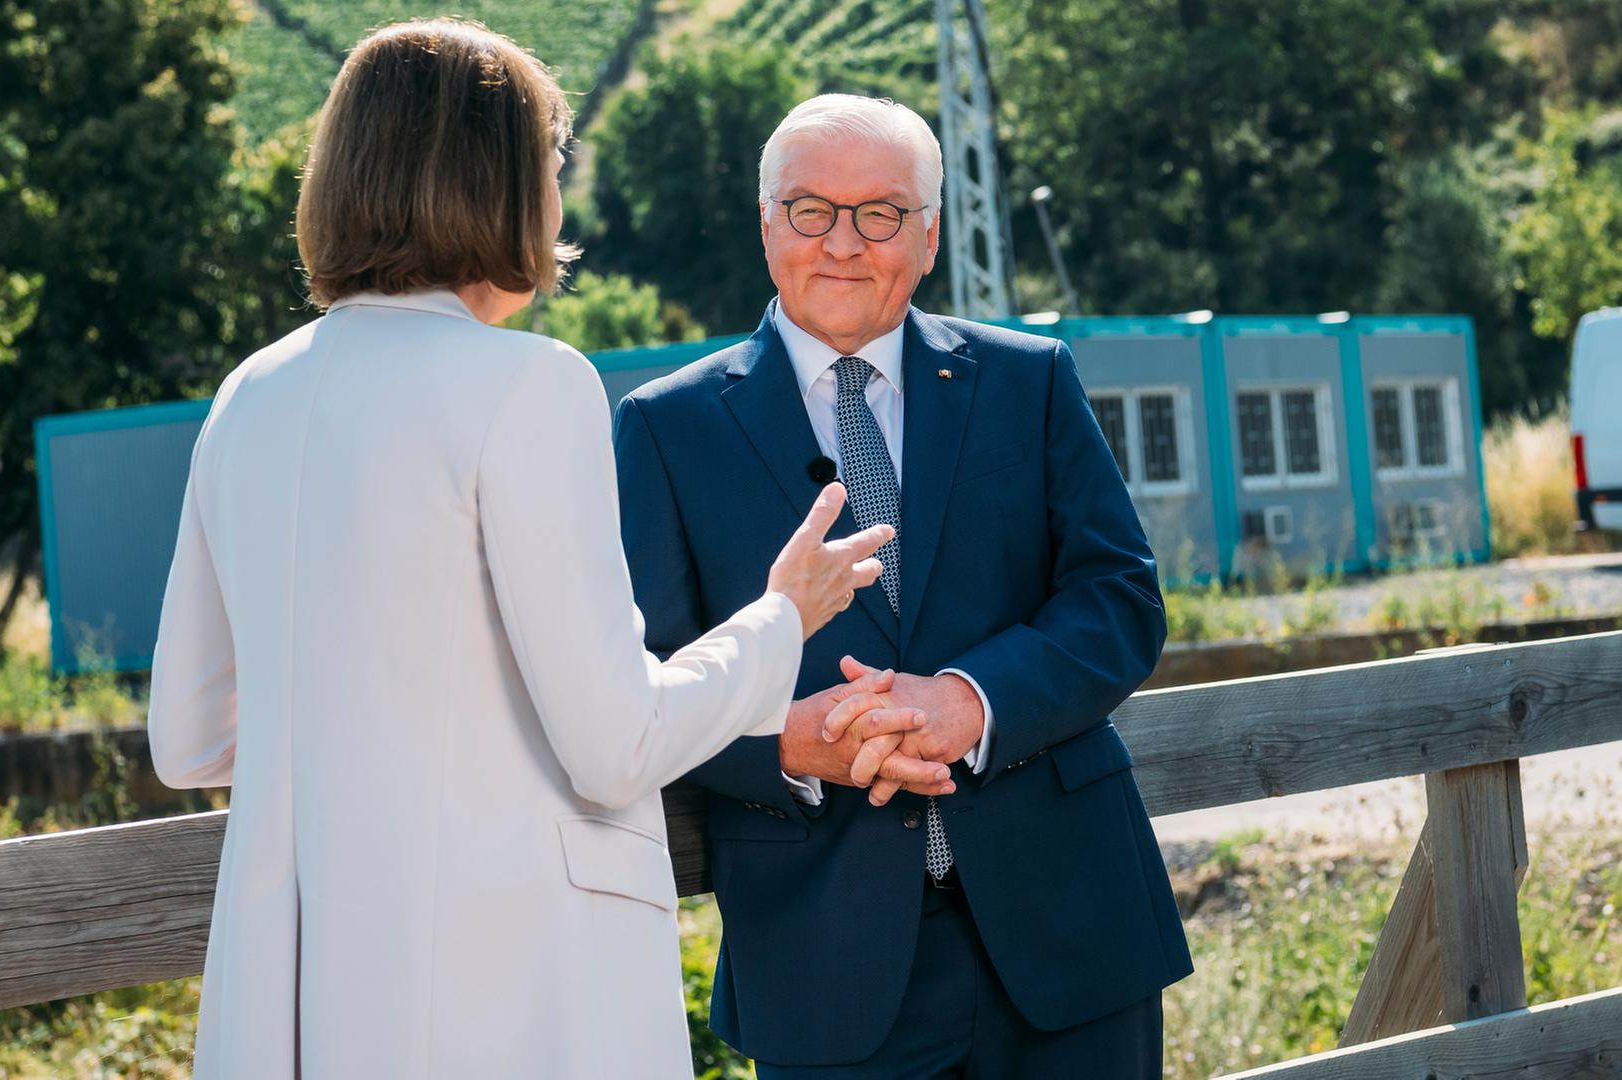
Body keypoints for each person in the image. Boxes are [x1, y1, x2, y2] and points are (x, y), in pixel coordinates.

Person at [145, 25, 905, 1080]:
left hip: (297, 1000)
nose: (558, 207)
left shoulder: (250, 394)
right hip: (510, 989)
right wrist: (781, 617)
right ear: (495, 185)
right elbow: (614, 747)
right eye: (549, 171)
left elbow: (186, 739)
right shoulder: (530, 387)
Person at [614, 94, 1192, 1078]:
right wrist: (786, 740)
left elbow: (1119, 599)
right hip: (824, 963)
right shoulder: (665, 429)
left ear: (927, 237)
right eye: (809, 209)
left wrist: (972, 702)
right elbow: (645, 673)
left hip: (1071, 936)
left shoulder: (1031, 379)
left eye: (879, 212)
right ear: (766, 226)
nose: (842, 242)